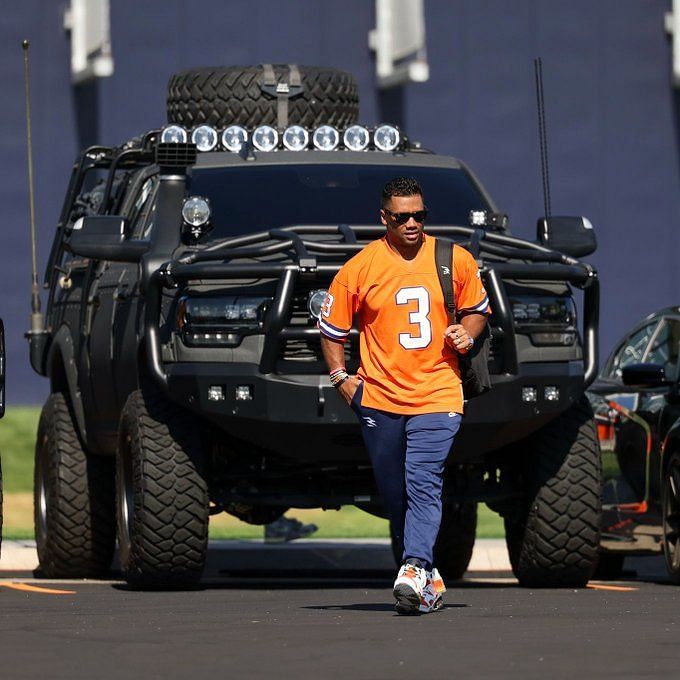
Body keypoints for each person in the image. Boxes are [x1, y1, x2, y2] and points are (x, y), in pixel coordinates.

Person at [319, 177, 490, 615]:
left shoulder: (455, 259)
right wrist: (341, 377)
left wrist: (466, 335)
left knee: (423, 479)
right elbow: (333, 329)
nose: (412, 223)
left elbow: (477, 312)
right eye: (402, 217)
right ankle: (427, 575)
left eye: (419, 215)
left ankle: (413, 567)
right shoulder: (360, 267)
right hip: (379, 397)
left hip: (439, 391)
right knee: (395, 491)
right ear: (385, 218)